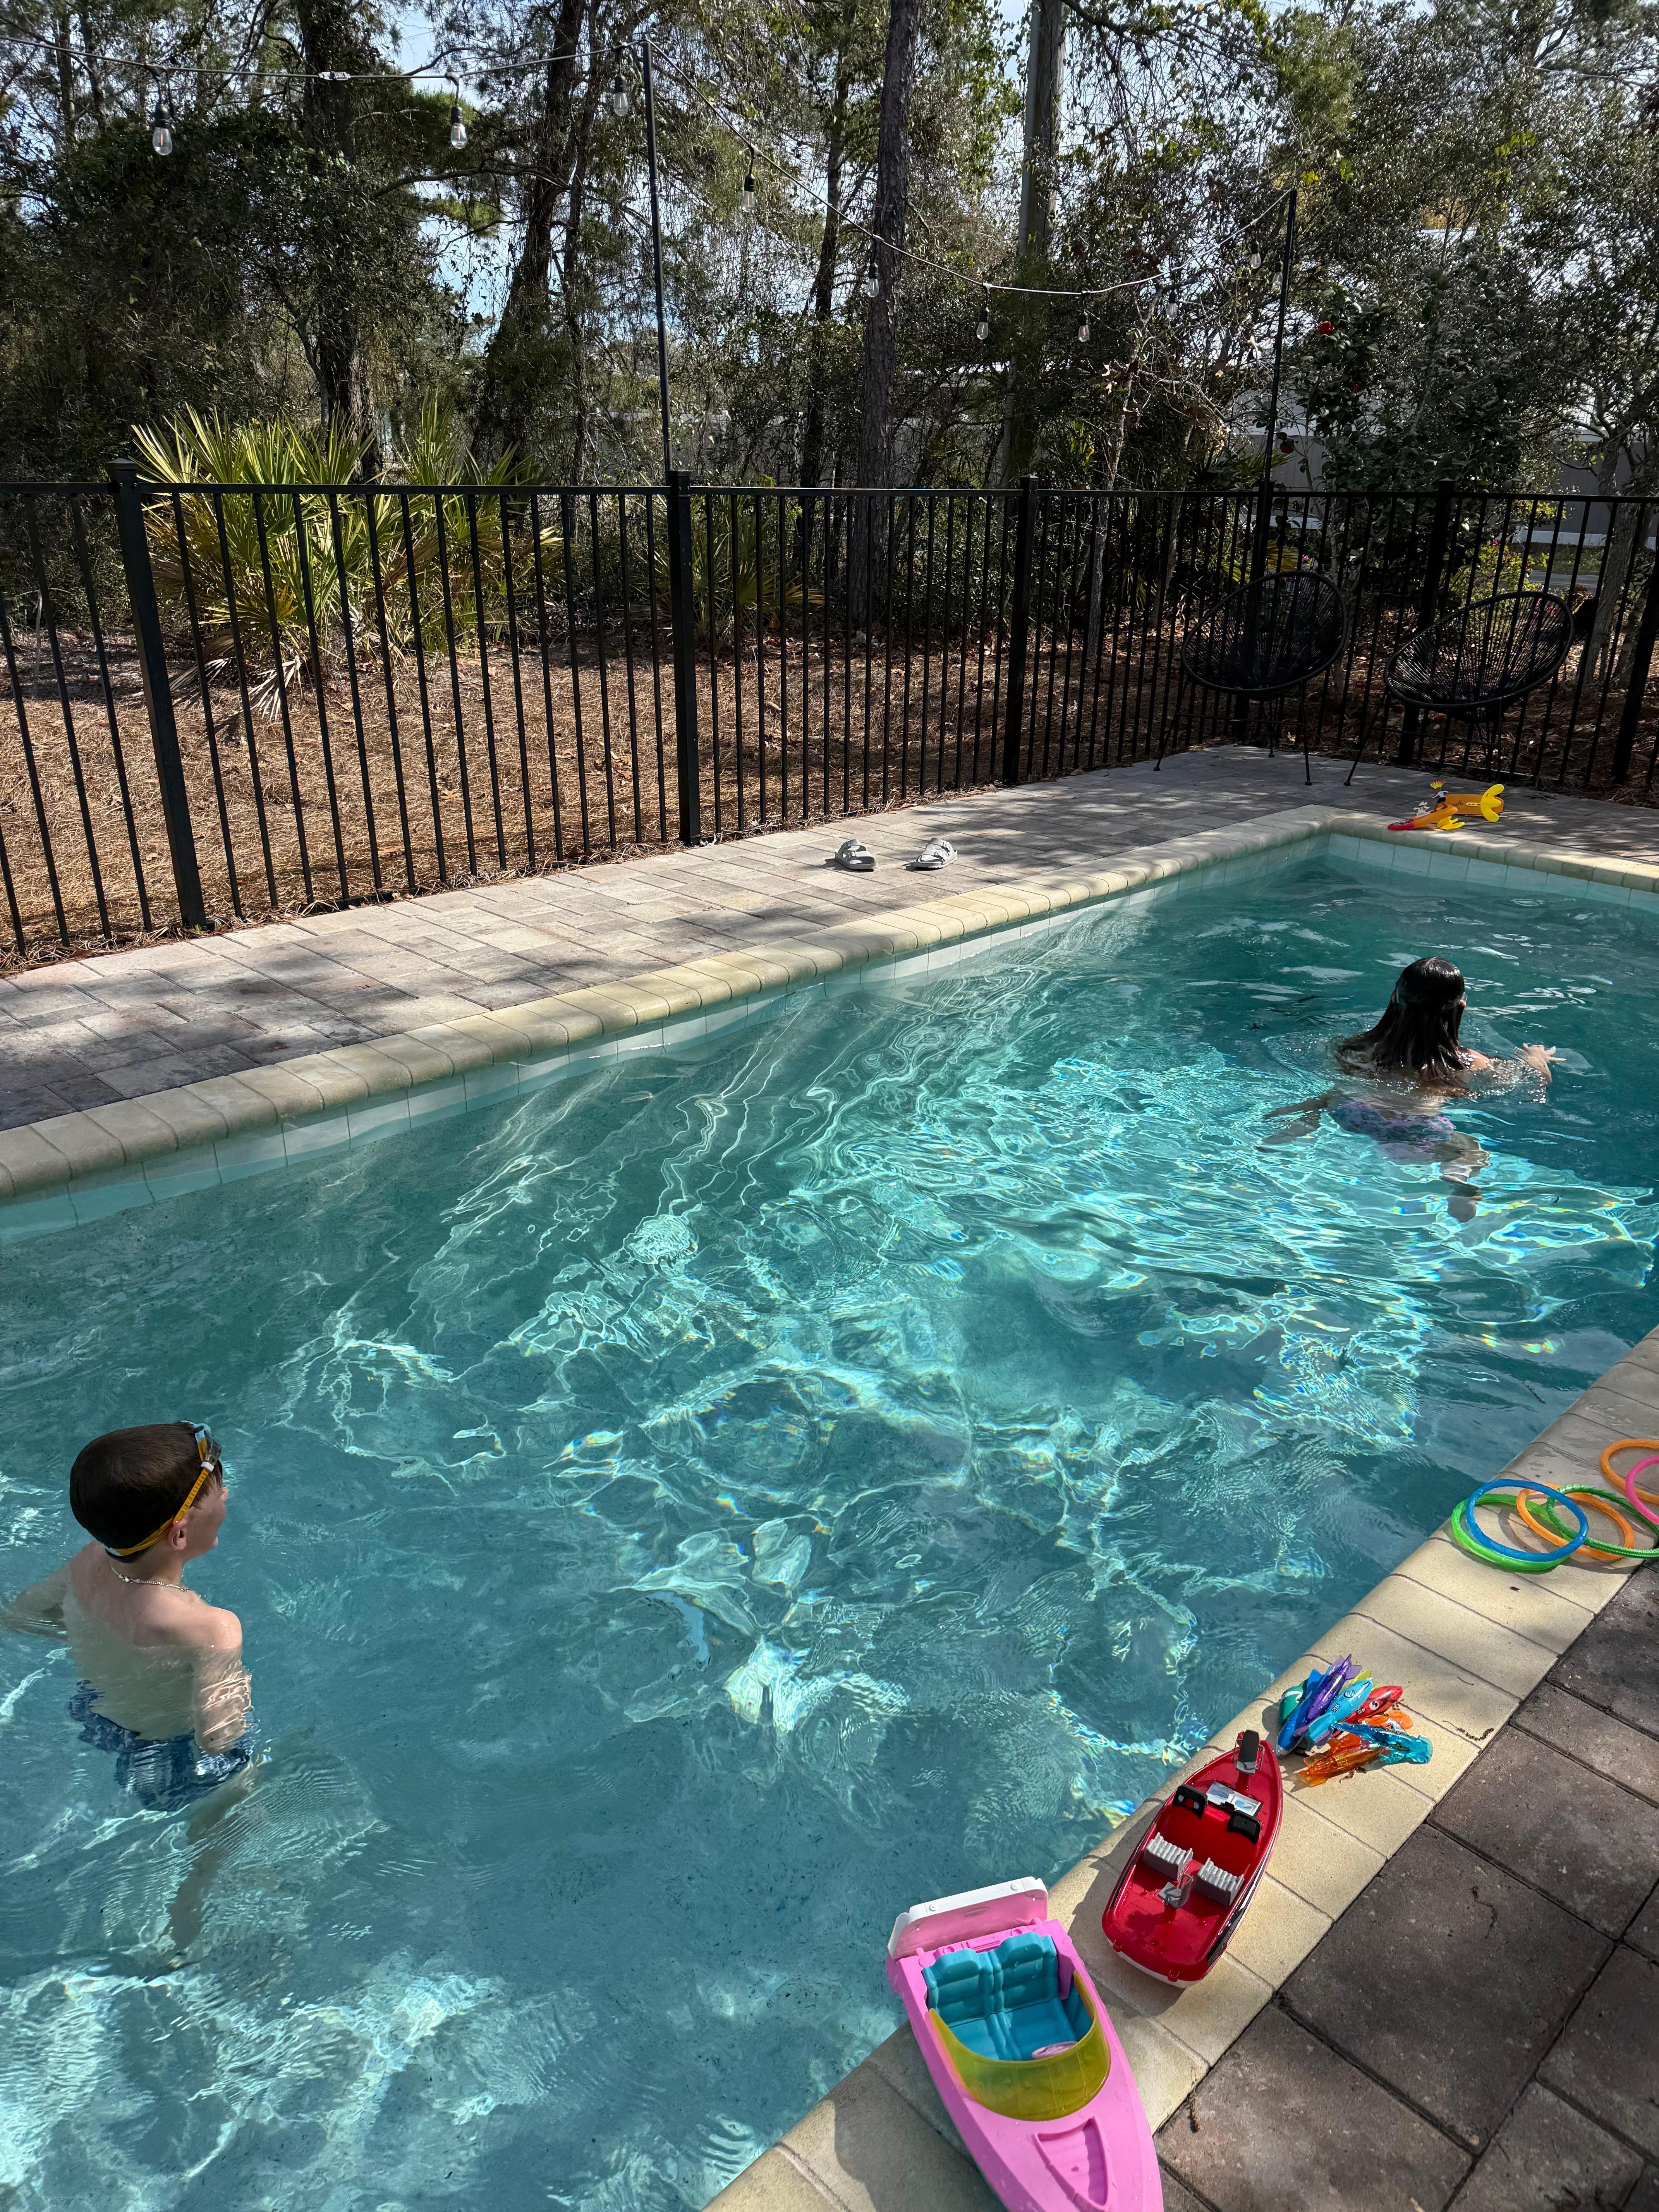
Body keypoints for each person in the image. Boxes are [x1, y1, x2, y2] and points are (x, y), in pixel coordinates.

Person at [3, 1422, 252, 1812]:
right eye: (217, 1494)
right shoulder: (212, 1628)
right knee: (247, 1788)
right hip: (170, 1756)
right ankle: (210, 1869)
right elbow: (218, 1739)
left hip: (97, 1716)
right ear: (180, 1535)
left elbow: (20, 1616)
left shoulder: (89, 1560)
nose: (227, 1494)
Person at [1261, 956, 1558, 1221]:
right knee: (1470, 1151)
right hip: (1419, 1130)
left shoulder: (1354, 1047)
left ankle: (1304, 1121)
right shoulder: (1471, 1063)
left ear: (1394, 997)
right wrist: (1539, 1061)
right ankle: (1458, 1176)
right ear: (1461, 1007)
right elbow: (1530, 1085)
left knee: (1329, 1098)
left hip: (1352, 1114)